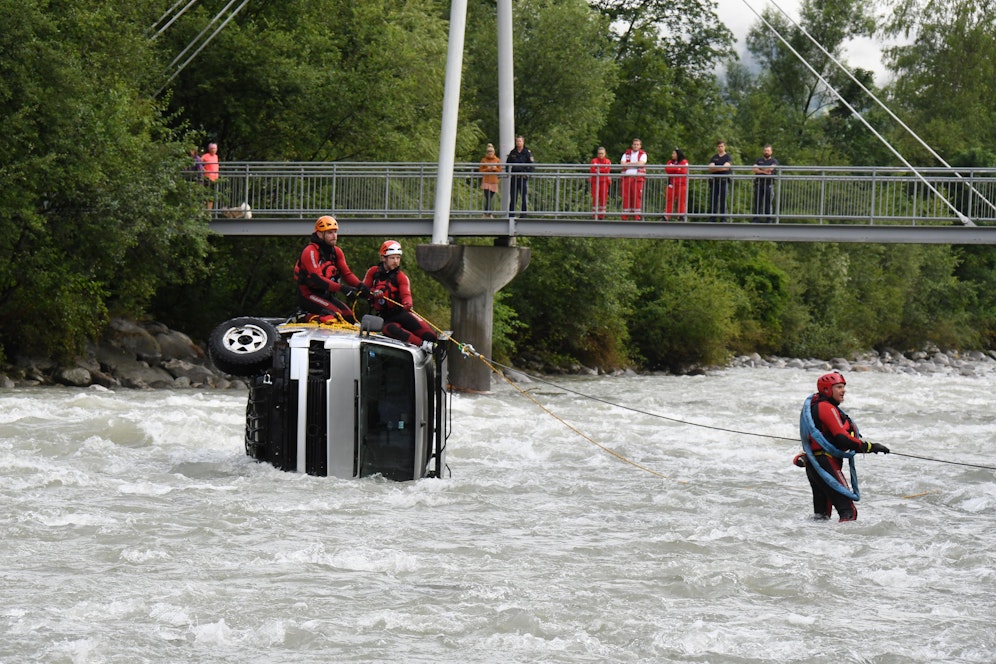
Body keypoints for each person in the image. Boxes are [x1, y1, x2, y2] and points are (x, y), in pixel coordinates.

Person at [796, 372, 890, 522]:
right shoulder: (826, 408)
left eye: (844, 387)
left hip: (815, 464)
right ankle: (849, 545)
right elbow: (842, 438)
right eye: (839, 387)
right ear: (827, 389)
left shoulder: (819, 406)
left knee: (822, 516)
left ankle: (816, 542)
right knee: (848, 512)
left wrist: (867, 447)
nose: (843, 390)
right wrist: (871, 446)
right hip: (826, 463)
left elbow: (835, 440)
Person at [363, 240, 438, 350]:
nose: (396, 261)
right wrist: (373, 292)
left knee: (431, 336)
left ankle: (429, 344)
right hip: (386, 318)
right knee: (391, 329)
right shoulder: (373, 272)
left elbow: (406, 294)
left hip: (401, 313)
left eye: (398, 258)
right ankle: (422, 345)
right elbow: (363, 291)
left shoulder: (401, 276)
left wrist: (408, 304)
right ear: (383, 258)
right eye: (392, 258)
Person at [294, 215, 368, 324]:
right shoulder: (310, 251)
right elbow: (317, 279)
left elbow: (347, 274)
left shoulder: (336, 252)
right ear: (320, 234)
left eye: (335, 232)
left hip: (325, 294)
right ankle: (302, 317)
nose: (334, 236)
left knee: (349, 317)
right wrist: (342, 289)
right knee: (336, 317)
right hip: (308, 294)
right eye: (330, 233)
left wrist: (360, 286)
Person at [506, 135, 535, 217]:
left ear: (523, 142)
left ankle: (523, 215)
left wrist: (527, 174)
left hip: (523, 177)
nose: (518, 143)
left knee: (523, 197)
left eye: (520, 141)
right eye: (517, 141)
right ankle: (511, 215)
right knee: (513, 197)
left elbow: (532, 166)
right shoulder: (513, 152)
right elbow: (507, 164)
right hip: (514, 177)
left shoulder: (527, 152)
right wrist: (509, 173)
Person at [620, 138, 648, 220]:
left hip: (638, 179)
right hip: (626, 178)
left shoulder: (643, 154)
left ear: (640, 146)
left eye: (637, 144)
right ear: (632, 145)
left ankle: (637, 217)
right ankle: (625, 217)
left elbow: (641, 164)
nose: (636, 146)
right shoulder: (626, 153)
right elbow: (623, 165)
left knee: (637, 197)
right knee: (625, 197)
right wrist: (635, 164)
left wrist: (628, 164)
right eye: (634, 144)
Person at [752, 144, 778, 223]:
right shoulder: (758, 160)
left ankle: (769, 219)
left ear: (771, 152)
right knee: (757, 202)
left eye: (768, 151)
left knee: (768, 202)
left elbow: (771, 169)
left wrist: (760, 168)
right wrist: (764, 171)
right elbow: (754, 169)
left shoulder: (774, 161)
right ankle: (756, 218)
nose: (766, 152)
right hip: (759, 183)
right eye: (765, 150)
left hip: (769, 184)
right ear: (763, 151)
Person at [707, 140, 732, 222]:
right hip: (714, 181)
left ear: (725, 147)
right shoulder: (714, 157)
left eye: (722, 146)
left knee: (723, 200)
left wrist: (716, 168)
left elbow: (726, 167)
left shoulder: (728, 156)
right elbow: (710, 168)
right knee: (713, 199)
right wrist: (721, 168)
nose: (720, 148)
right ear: (717, 147)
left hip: (724, 181)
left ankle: (723, 218)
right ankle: (712, 217)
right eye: (719, 146)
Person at [664, 148, 689, 221]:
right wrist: (677, 169)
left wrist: (673, 169)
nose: (672, 155)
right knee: (669, 200)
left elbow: (684, 171)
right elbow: (667, 169)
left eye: (674, 153)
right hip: (671, 184)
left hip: (681, 184)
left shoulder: (684, 162)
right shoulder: (670, 162)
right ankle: (666, 216)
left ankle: (680, 216)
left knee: (681, 201)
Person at [478, 143, 502, 216]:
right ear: (487, 153)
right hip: (486, 180)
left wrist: (494, 168)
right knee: (487, 197)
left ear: (494, 152)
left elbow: (500, 170)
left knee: (489, 198)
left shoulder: (497, 160)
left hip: (493, 181)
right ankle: (489, 214)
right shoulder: (483, 160)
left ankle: (485, 213)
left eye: (491, 152)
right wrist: (487, 169)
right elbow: (480, 170)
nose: (490, 153)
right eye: (489, 152)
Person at [589, 146, 612, 219]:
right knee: (595, 197)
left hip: (604, 182)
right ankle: (594, 215)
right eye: (599, 153)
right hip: (595, 181)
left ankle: (602, 215)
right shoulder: (594, 160)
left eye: (602, 153)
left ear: (605, 154)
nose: (600, 155)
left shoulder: (607, 161)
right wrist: (602, 169)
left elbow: (607, 170)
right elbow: (592, 170)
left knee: (603, 198)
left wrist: (598, 169)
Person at [202, 142, 220, 209]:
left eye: (214, 148)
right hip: (207, 178)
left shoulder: (216, 156)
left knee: (212, 196)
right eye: (212, 148)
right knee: (206, 195)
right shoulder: (205, 156)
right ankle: (203, 211)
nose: (213, 150)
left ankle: (209, 212)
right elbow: (199, 163)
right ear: (209, 149)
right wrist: (204, 169)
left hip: (215, 179)